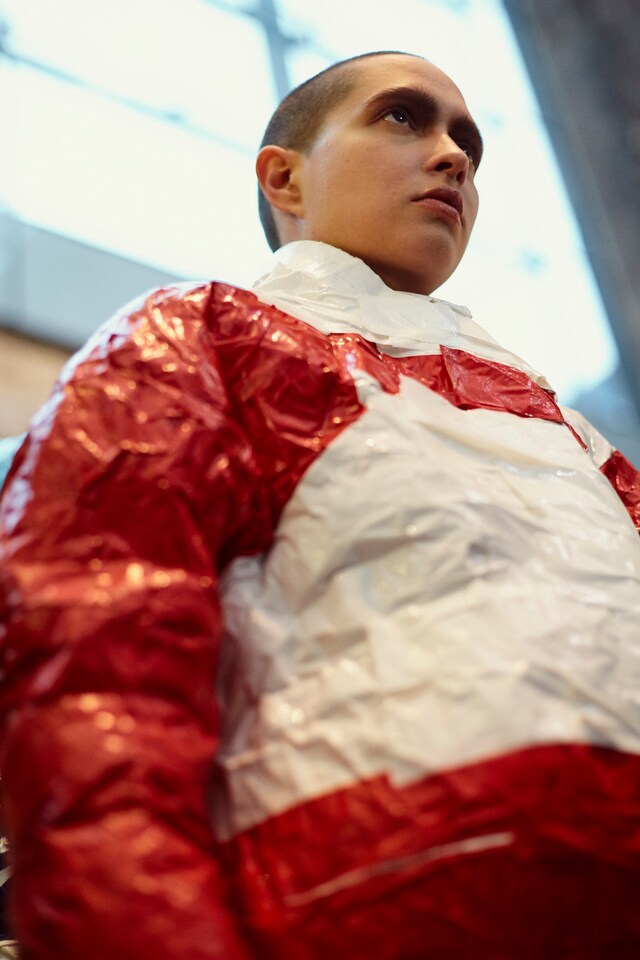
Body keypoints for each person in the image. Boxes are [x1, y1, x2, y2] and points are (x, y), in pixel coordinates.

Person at [0, 50, 639, 960]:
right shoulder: (198, 344)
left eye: (468, 140)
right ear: (283, 174)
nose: (453, 154)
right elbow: (95, 684)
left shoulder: (577, 439)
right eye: (403, 118)